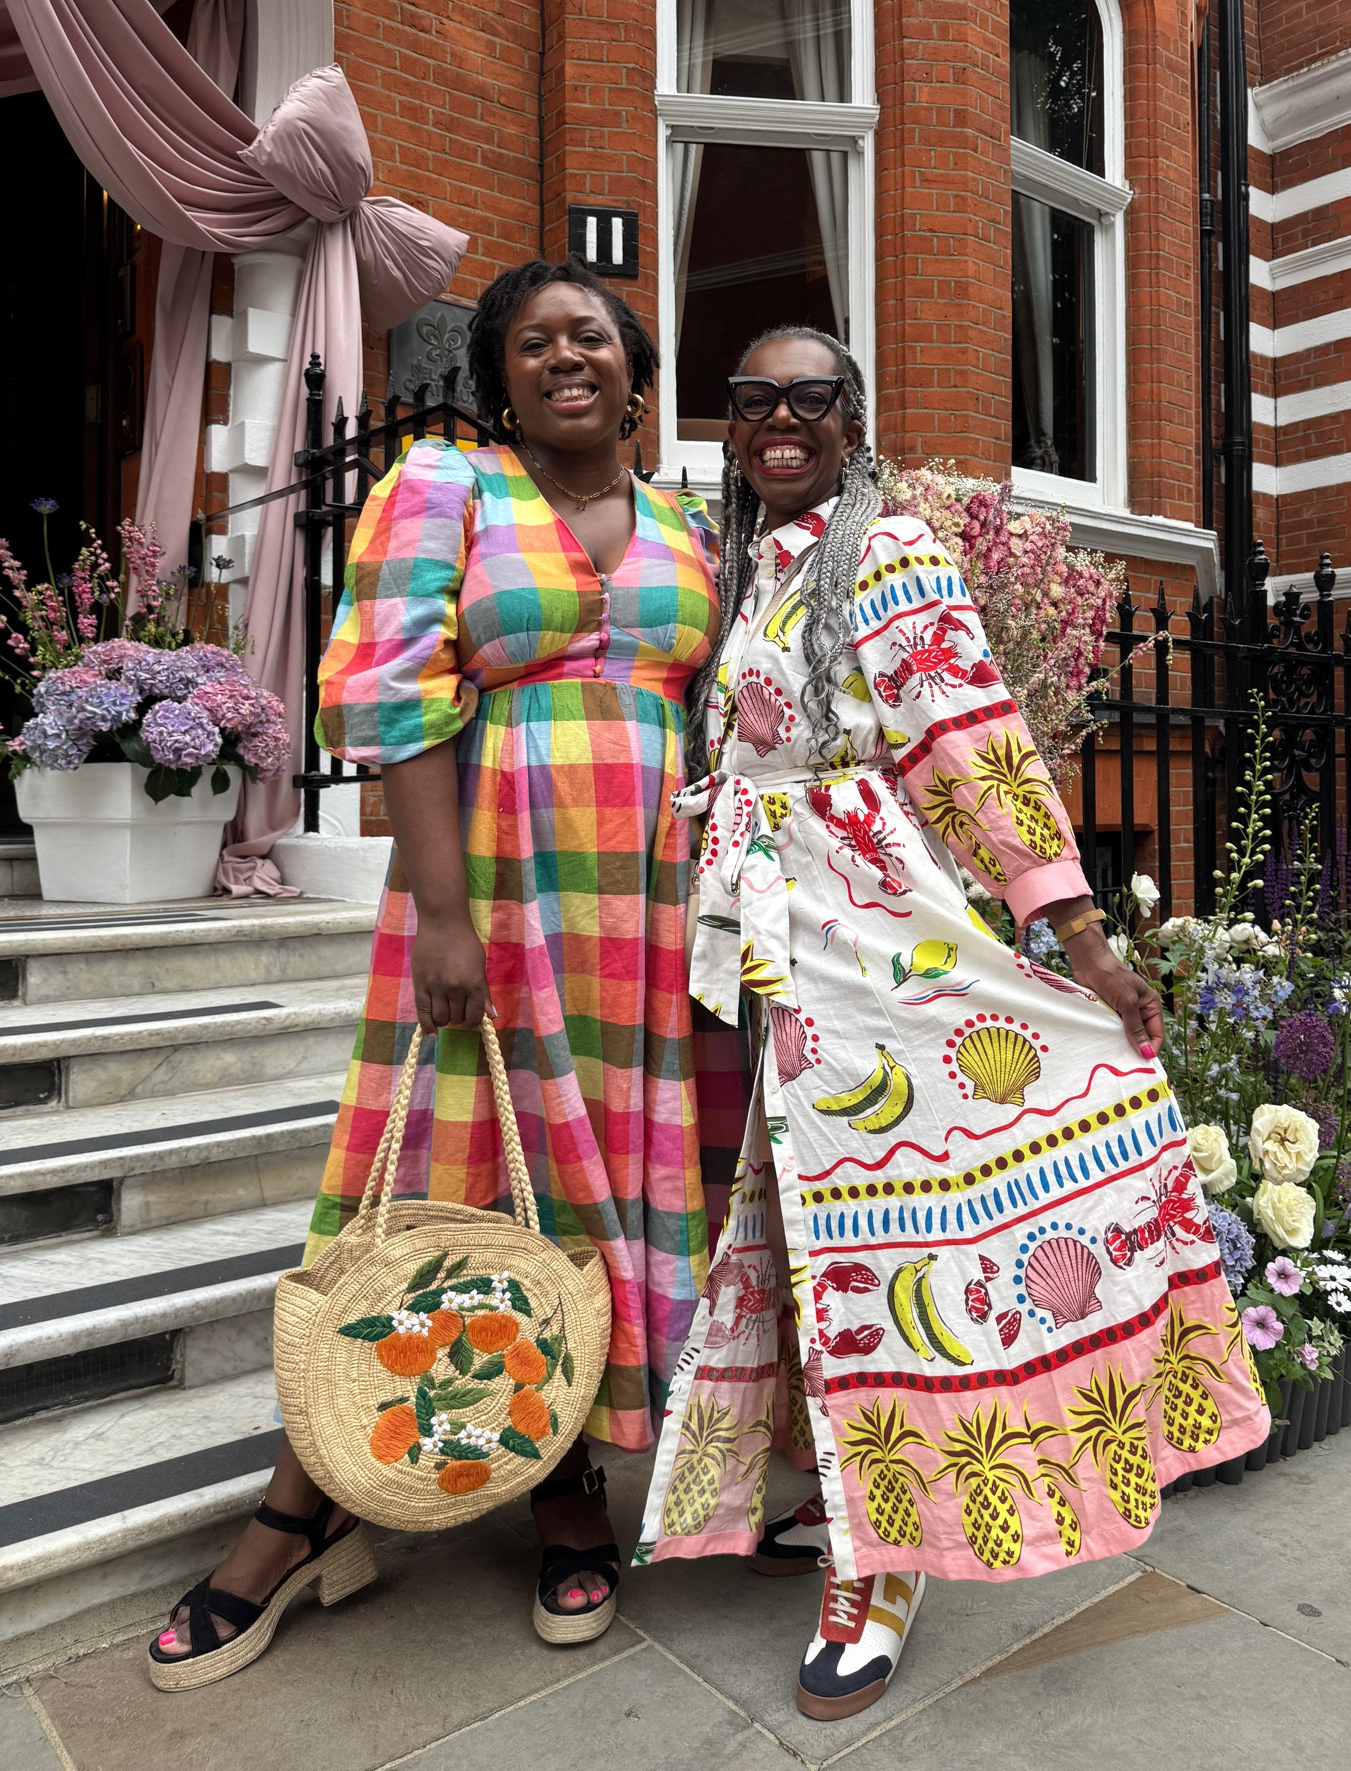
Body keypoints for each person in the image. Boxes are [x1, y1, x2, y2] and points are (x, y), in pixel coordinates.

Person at [637, 326, 1270, 1720]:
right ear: (729, 425)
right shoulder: (743, 562)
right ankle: (839, 1493)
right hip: (770, 948)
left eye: (812, 397)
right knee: (808, 1231)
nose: (782, 420)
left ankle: (884, 1562)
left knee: (891, 1236)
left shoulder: (892, 550)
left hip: (870, 944)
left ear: (854, 418)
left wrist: (1081, 936)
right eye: (755, 401)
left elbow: (976, 742)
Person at [149, 259, 721, 1689]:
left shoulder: (686, 524)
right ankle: (300, 1507)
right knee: (420, 1187)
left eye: (589, 334)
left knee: (594, 1197)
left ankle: (567, 1485)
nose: (562, 357)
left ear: (634, 370)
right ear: (502, 375)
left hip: (645, 917)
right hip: (492, 885)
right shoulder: (444, 491)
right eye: (533, 342)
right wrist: (448, 917)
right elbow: (395, 696)